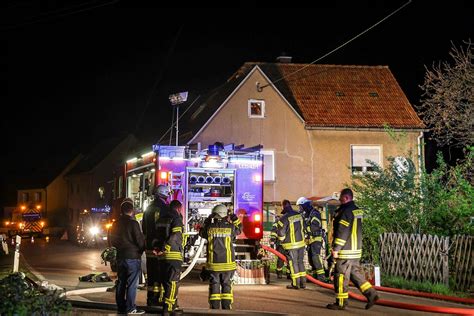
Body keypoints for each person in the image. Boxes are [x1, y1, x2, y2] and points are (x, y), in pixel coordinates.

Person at [326, 188, 379, 310]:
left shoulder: (345, 212)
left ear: (346, 198)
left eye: (340, 198)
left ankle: (341, 303)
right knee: (355, 275)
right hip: (356, 250)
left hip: (345, 251)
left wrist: (336, 249)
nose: (339, 201)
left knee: (340, 276)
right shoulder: (356, 210)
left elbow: (342, 232)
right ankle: (372, 294)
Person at [199, 204, 242, 309]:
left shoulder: (209, 228)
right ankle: (226, 307)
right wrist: (234, 217)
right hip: (228, 264)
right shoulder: (231, 227)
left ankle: (214, 308)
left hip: (214, 265)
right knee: (227, 285)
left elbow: (201, 232)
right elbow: (240, 229)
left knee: (214, 285)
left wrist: (208, 220)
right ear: (225, 215)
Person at [110, 198, 146, 315]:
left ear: (121, 211)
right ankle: (130, 308)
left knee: (121, 282)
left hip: (120, 257)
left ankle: (121, 307)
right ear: (132, 211)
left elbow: (112, 240)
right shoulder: (133, 223)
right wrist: (141, 250)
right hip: (133, 257)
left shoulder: (115, 224)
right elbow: (139, 240)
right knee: (131, 284)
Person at [153, 199, 184, 315]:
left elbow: (156, 236)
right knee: (173, 282)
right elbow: (175, 235)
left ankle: (170, 305)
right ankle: (169, 308)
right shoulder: (176, 218)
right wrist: (166, 248)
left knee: (165, 281)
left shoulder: (161, 218)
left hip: (162, 256)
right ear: (179, 208)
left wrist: (157, 248)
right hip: (173, 254)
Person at [142, 184, 171, 306]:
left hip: (149, 247)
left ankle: (151, 299)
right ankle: (159, 300)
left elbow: (144, 228)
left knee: (152, 273)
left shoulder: (148, 208)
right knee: (161, 274)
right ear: (164, 195)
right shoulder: (164, 209)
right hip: (159, 247)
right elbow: (165, 228)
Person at [276, 199, 306, 290]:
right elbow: (304, 227)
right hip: (301, 244)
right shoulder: (299, 215)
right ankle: (303, 283)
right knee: (300, 262)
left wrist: (281, 240)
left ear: (283, 206)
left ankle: (295, 283)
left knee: (293, 264)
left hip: (291, 245)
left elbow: (281, 233)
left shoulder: (283, 218)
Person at [297, 197, 325, 282]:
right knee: (310, 258)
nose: (300, 208)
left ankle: (321, 277)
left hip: (316, 239)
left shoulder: (315, 213)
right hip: (310, 240)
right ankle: (315, 276)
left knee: (315, 257)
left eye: (300, 206)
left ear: (305, 205)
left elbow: (314, 227)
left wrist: (306, 227)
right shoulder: (306, 214)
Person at [269, 200, 291, 279]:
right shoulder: (278, 222)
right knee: (282, 259)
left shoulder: (286, 220)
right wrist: (272, 242)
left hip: (285, 244)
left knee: (289, 260)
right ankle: (280, 273)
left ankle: (288, 273)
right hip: (282, 244)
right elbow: (274, 233)